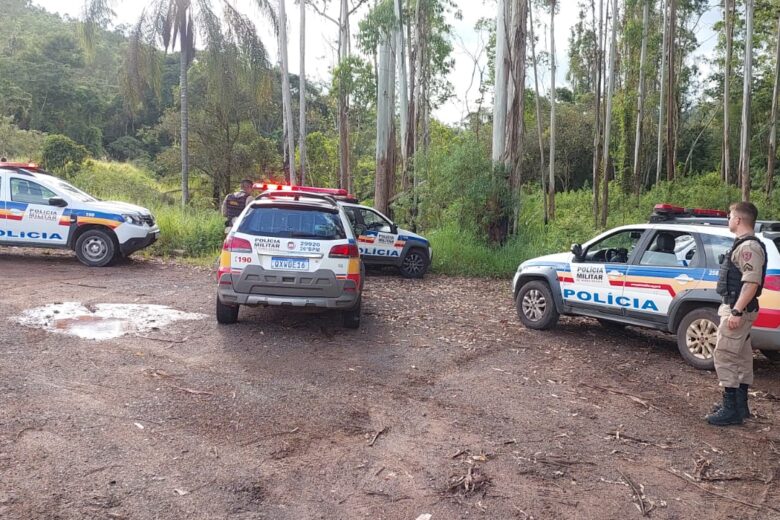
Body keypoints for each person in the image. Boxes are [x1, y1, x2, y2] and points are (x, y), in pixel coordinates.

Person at [707, 201, 767, 426]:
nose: (729, 219)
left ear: (739, 219)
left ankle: (730, 408)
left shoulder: (748, 247)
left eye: (730, 216)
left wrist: (736, 311)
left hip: (738, 310)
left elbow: (751, 283)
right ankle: (741, 407)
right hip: (739, 309)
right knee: (741, 357)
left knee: (724, 355)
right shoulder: (743, 244)